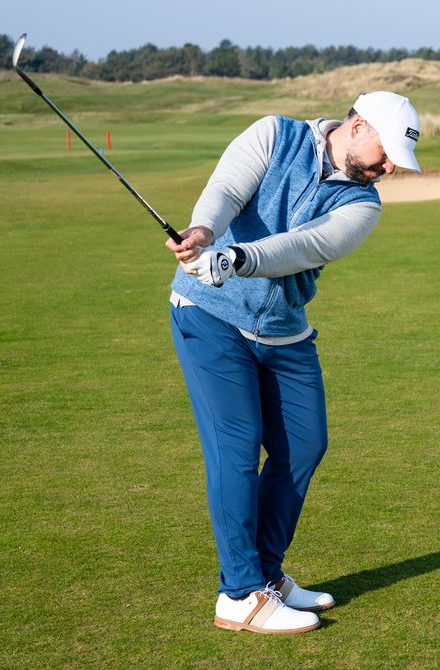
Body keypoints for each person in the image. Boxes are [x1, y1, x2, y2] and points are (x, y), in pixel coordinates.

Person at [165, 91, 422, 634]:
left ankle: (265, 573)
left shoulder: (363, 205)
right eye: (387, 152)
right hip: (209, 316)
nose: (390, 167)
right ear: (357, 126)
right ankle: (238, 595)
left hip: (284, 332)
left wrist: (235, 258)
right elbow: (227, 190)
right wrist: (205, 233)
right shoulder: (274, 134)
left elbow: (304, 246)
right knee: (237, 446)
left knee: (305, 444)